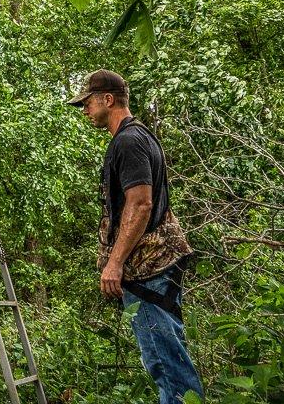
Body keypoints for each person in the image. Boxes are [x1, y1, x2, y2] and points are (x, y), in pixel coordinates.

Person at [67, 69, 203, 404]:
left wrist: (114, 263)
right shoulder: (141, 136)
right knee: (168, 357)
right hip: (155, 269)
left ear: (107, 100)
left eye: (87, 102)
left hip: (148, 272)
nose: (84, 109)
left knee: (166, 366)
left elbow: (140, 204)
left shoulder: (128, 142)